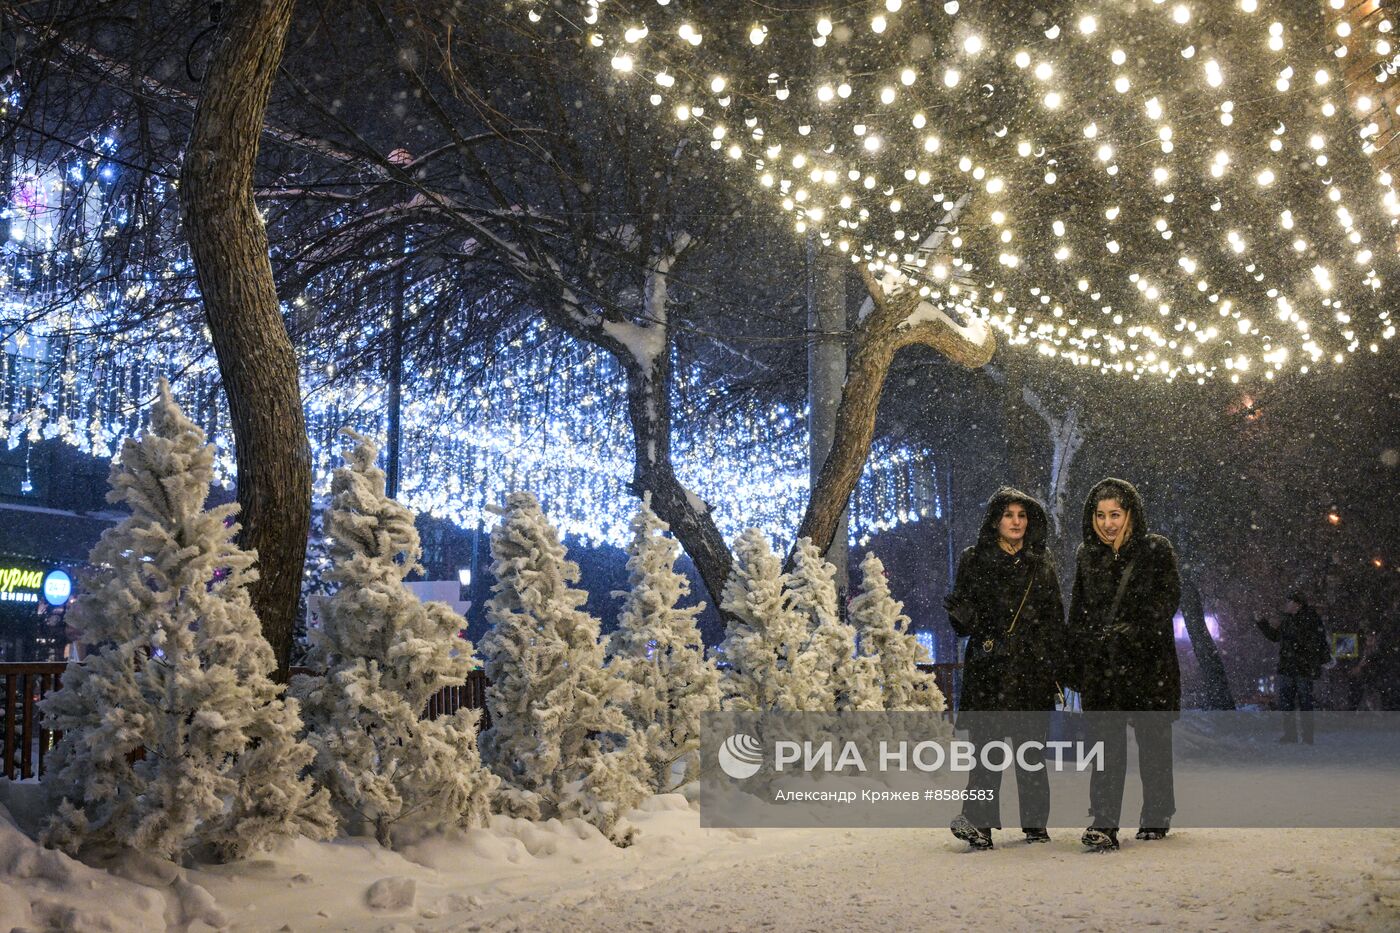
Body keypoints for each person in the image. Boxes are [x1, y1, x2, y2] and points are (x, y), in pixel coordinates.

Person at [943, 486, 1065, 850]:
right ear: (996, 520)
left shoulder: (1041, 561)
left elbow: (1054, 618)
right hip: (989, 667)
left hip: (1030, 667)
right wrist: (964, 620)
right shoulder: (973, 558)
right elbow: (963, 621)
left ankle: (1035, 825)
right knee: (986, 752)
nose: (1016, 522)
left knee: (1031, 751)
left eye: (1022, 515)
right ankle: (980, 825)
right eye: (1009, 515)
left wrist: (1052, 661)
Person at [1065, 478, 1181, 852]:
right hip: (1103, 664)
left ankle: (1156, 815)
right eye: (1100, 515)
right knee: (1105, 745)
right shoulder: (1087, 555)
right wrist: (1075, 658)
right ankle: (1104, 822)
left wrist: (1135, 629)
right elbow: (1079, 611)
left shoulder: (1155, 550)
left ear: (1130, 513)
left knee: (1153, 743)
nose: (1107, 523)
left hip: (1148, 663)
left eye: (1115, 514)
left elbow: (1167, 602)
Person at [1255, 592, 1331, 742]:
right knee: (1287, 702)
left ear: (1297, 604)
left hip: (1302, 668)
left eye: (1289, 602)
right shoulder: (1289, 620)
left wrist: (1299, 652)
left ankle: (1306, 736)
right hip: (1289, 667)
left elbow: (1312, 643)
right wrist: (1261, 623)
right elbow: (1276, 636)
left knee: (1304, 703)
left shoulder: (1310, 619)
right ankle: (1292, 735)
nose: (1286, 604)